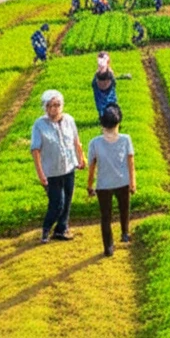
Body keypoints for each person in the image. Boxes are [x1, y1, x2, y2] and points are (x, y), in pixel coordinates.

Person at [31, 89, 85, 244]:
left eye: (57, 105)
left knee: (67, 200)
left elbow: (76, 140)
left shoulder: (69, 120)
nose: (54, 108)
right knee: (57, 203)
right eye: (50, 105)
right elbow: (35, 150)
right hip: (52, 171)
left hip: (69, 167)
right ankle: (46, 229)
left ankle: (61, 229)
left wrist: (81, 157)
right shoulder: (39, 125)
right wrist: (40, 173)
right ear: (45, 107)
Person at [87, 103, 136, 258]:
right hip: (116, 183)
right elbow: (130, 162)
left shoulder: (96, 142)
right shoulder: (123, 139)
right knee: (118, 211)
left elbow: (92, 168)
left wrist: (90, 185)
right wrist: (132, 182)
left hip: (107, 184)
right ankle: (119, 238)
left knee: (107, 216)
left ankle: (118, 239)